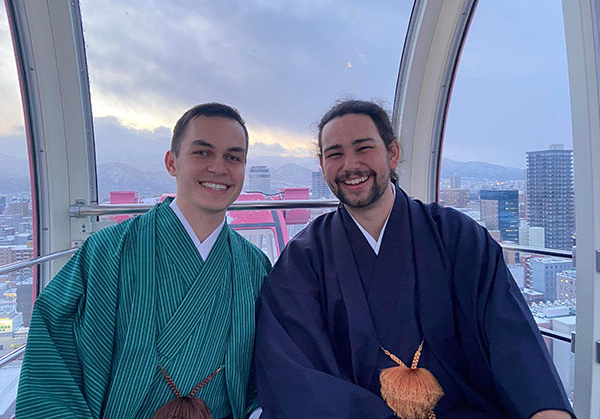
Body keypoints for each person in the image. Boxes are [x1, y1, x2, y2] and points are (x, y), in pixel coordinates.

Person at [255, 100, 574, 419]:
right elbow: (294, 371)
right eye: (335, 154)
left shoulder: (457, 237)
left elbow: (511, 336)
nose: (350, 165)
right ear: (322, 166)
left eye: (363, 148)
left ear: (392, 153)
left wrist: (544, 410)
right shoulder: (304, 259)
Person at [16, 103, 271, 419]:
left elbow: (270, 366)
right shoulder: (107, 251)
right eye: (202, 153)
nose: (219, 168)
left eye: (233, 157)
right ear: (172, 162)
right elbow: (53, 352)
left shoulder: (254, 266)